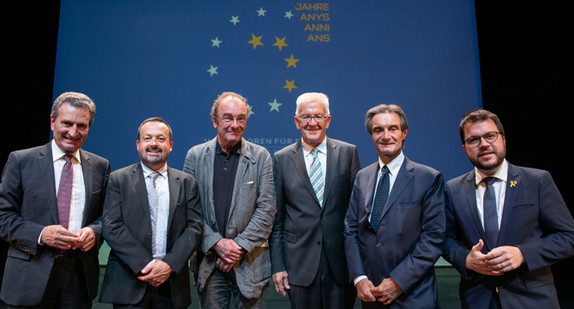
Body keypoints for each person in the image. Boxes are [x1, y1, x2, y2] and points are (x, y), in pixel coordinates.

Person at [442, 109, 574, 308]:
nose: (484, 144)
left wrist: (522, 253)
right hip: (478, 299)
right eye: (474, 140)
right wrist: (466, 259)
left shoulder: (537, 181)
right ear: (465, 148)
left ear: (503, 140)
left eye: (490, 136)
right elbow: (445, 240)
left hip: (532, 300)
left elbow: (568, 237)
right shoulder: (452, 189)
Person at [0, 92, 111, 308]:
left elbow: (107, 217)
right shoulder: (21, 161)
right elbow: (3, 217)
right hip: (28, 276)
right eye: (67, 123)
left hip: (78, 280)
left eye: (82, 125)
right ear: (52, 122)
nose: (73, 132)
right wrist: (41, 235)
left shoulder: (100, 166)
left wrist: (94, 232)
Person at [344, 104, 445, 308]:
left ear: (404, 132)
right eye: (378, 130)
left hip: (413, 295)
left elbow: (433, 237)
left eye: (392, 128)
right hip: (371, 295)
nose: (386, 136)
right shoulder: (362, 178)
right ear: (371, 135)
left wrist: (399, 281)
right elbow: (350, 230)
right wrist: (359, 277)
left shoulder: (428, 178)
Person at [183, 91, 276, 308]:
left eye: (241, 118)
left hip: (249, 265)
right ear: (215, 121)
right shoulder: (195, 157)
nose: (234, 124)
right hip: (209, 265)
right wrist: (216, 243)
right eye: (228, 118)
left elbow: (267, 210)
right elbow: (189, 210)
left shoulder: (261, 157)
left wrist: (237, 247)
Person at [99, 117, 203, 309]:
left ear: (170, 145)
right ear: (138, 145)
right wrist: (146, 265)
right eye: (147, 138)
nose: (154, 144)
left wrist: (168, 265)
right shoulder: (118, 180)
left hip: (171, 285)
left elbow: (194, 228)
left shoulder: (187, 182)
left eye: (160, 139)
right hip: (129, 281)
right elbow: (112, 226)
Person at [269, 92, 360, 308]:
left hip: (341, 265)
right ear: (296, 121)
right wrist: (277, 266)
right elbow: (277, 220)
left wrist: (359, 265)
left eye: (318, 116)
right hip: (299, 267)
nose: (312, 123)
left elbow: (356, 214)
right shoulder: (281, 159)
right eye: (306, 117)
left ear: (328, 120)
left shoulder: (348, 153)